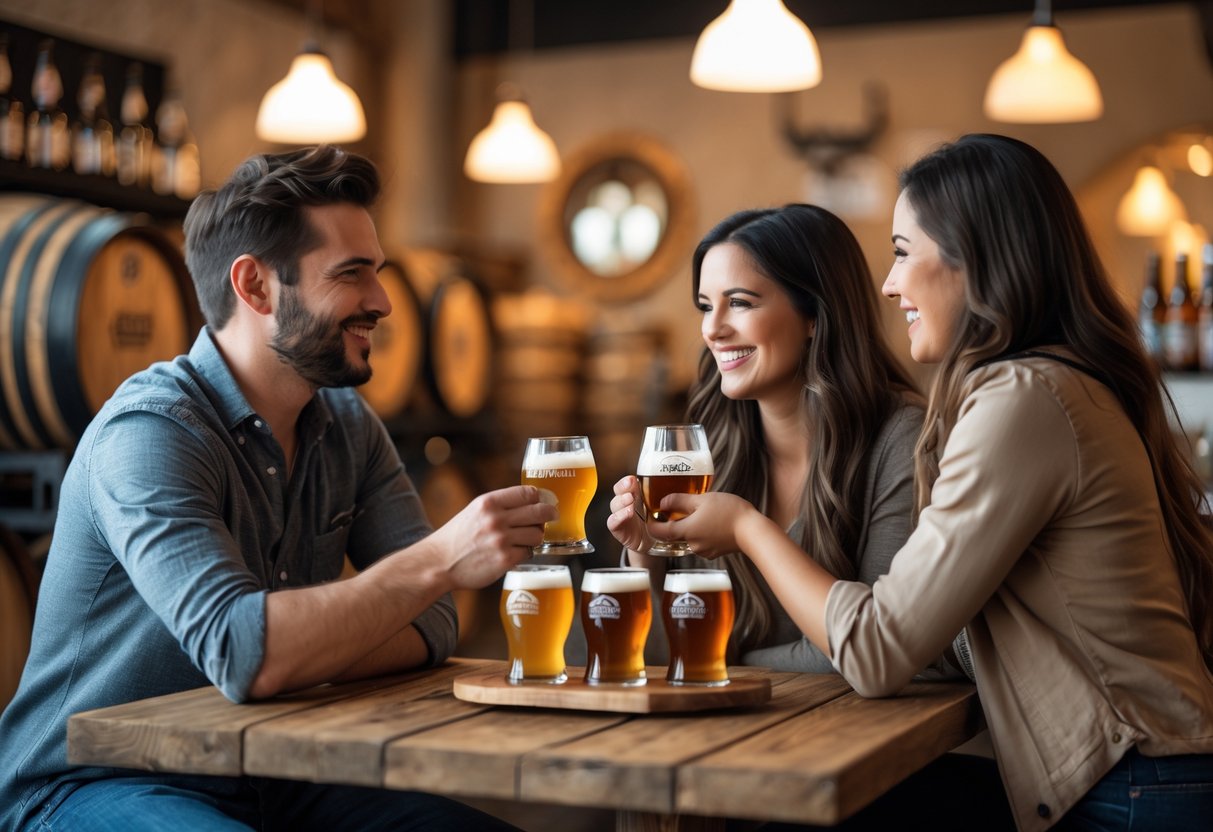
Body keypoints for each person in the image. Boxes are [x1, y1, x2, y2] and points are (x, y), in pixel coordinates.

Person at [625, 134, 1213, 830]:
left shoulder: (1020, 401)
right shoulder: (1036, 390)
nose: (887, 283)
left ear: (973, 260)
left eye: (903, 253)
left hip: (1134, 787)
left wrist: (745, 529)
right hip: (1134, 778)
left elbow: (878, 651)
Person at [0, 146, 554, 831]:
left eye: (377, 274)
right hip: (91, 783)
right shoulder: (149, 432)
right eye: (352, 275)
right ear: (256, 287)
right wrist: (438, 559)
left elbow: (435, 619)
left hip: (275, 771)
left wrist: (292, 651)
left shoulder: (348, 425)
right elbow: (243, 652)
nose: (382, 302)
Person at [608, 203, 935, 673]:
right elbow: (659, 659)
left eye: (739, 302)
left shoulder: (899, 440)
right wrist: (646, 556)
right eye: (705, 306)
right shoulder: (708, 450)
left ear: (815, 317)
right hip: (724, 741)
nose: (712, 329)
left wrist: (723, 659)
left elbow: (873, 646)